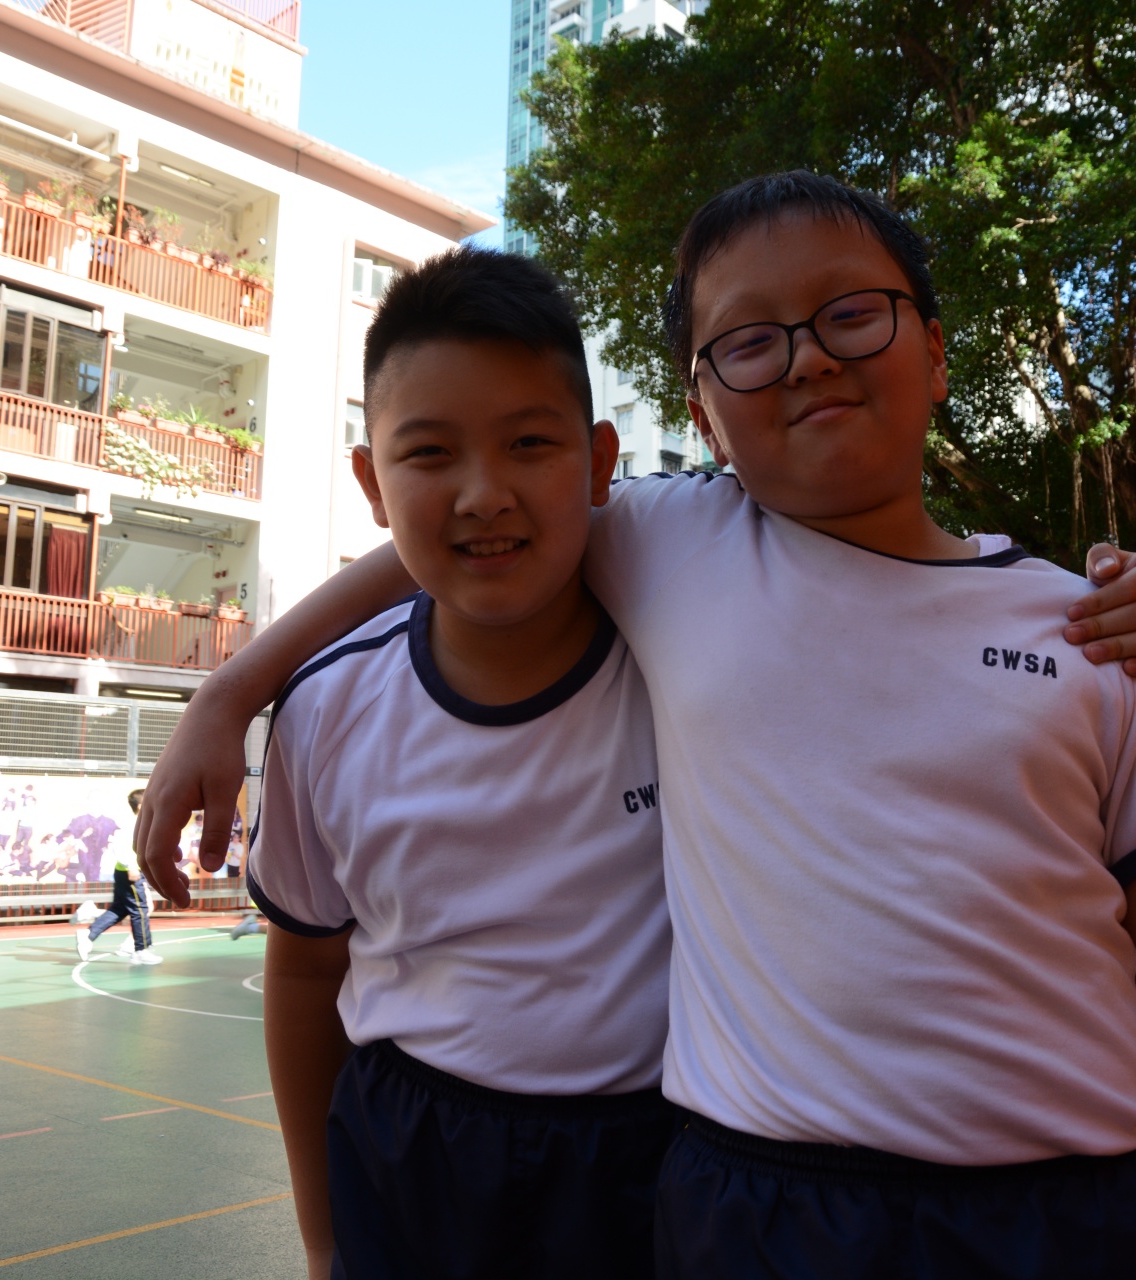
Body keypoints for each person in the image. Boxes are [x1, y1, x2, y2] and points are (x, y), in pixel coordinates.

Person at [140, 173, 1136, 1279]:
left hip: (1080, 1213)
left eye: (851, 313)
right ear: (702, 414)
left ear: (936, 350)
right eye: (751, 341)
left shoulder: (1096, 631)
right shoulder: (672, 544)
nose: (808, 358)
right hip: (762, 1210)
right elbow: (448, 531)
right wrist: (229, 690)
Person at [250, 251, 682, 1280]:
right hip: (411, 1159)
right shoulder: (327, 710)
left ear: (599, 460)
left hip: (653, 1155)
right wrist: (321, 1236)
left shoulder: (691, 658)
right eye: (430, 453)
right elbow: (305, 966)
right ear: (371, 481)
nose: (484, 494)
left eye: (529, 442)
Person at [75, 789, 159, 966]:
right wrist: (131, 867)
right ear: (141, 805)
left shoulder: (142, 822)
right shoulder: (132, 823)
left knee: (120, 909)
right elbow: (119, 846)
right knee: (140, 910)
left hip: (127, 871)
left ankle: (89, 935)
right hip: (130, 872)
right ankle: (141, 950)